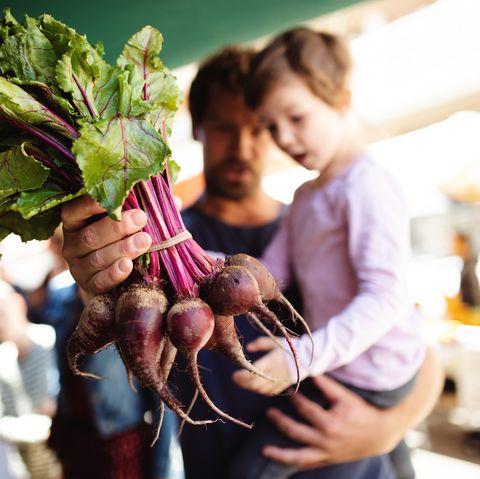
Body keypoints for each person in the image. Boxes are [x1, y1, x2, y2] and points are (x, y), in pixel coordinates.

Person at [60, 46, 443, 479]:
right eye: (224, 128)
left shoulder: (328, 216)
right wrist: (98, 277)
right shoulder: (151, 248)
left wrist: (389, 428)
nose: (244, 146)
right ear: (196, 129)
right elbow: (117, 336)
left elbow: (410, 341)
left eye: (260, 129)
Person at [227, 28, 425, 479]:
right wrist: (200, 259)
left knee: (253, 470)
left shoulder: (367, 185)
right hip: (342, 365)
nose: (285, 138)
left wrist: (300, 356)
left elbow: (386, 297)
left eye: (296, 118)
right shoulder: (304, 196)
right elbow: (268, 274)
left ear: (340, 98)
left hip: (373, 373)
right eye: (271, 126)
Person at [29, 232, 180, 479]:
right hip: (76, 434)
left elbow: (160, 398)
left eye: (61, 241)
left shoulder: (131, 299)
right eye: (58, 242)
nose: (61, 249)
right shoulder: (59, 294)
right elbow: (34, 310)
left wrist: (166, 472)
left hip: (120, 437)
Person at [0, 279, 61, 478]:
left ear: (18, 304)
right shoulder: (4, 360)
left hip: (60, 457)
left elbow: (53, 406)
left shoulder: (49, 341)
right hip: (27, 466)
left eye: (1, 312)